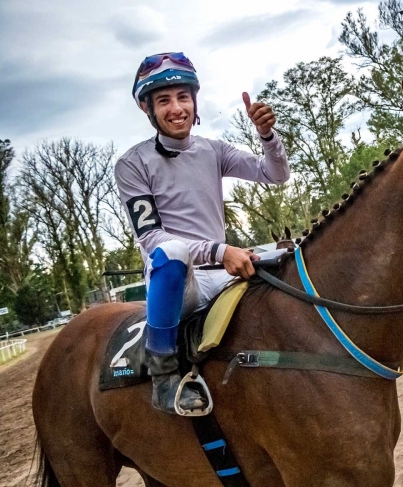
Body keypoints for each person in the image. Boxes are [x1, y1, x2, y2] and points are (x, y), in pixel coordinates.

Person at [115, 52, 290, 414]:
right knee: (173, 251)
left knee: (289, 249)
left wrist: (267, 136)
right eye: (163, 100)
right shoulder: (131, 164)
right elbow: (152, 239)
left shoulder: (213, 150)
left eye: (183, 97)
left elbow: (275, 174)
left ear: (195, 101)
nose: (176, 108)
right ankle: (163, 375)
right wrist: (220, 251)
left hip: (224, 272)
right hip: (180, 282)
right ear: (146, 109)